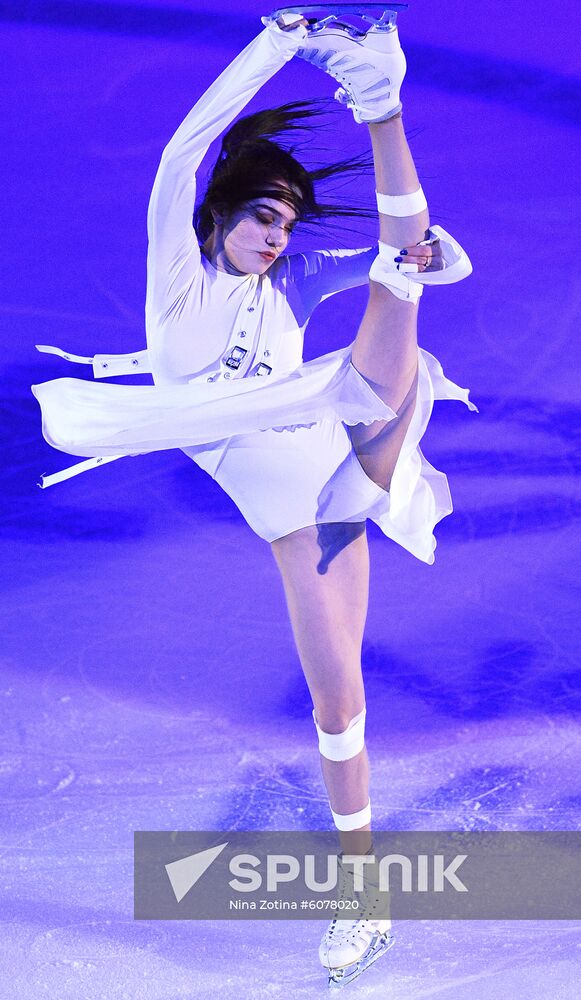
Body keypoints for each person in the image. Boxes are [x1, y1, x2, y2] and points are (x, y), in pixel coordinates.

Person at [31, 7, 477, 987]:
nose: (276, 239)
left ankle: (380, 101)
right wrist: (275, 42)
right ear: (221, 214)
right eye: (262, 218)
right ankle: (365, 893)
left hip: (355, 445)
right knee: (339, 703)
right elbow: (181, 152)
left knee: (395, 279)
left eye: (285, 223)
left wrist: (422, 260)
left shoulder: (290, 283)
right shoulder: (178, 282)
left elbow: (393, 252)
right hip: (314, 523)